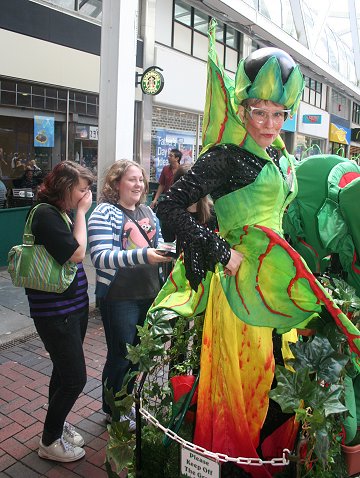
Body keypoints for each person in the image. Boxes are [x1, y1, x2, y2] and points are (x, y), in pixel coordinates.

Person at [147, 21, 360, 478]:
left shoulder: (282, 156)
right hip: (240, 294)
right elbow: (167, 205)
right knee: (245, 384)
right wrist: (224, 253)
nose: (269, 123)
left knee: (283, 382)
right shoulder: (225, 156)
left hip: (278, 285)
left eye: (278, 113)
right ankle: (235, 465)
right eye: (259, 111)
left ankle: (271, 459)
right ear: (242, 108)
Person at [87, 160, 172, 428]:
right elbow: (101, 258)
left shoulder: (147, 210)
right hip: (119, 297)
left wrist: (166, 250)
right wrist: (143, 255)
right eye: (132, 179)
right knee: (121, 355)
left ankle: (125, 404)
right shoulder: (104, 212)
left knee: (139, 354)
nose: (138, 185)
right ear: (116, 183)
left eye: (141, 180)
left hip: (149, 294)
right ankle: (113, 409)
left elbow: (157, 242)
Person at [24, 161, 93, 463]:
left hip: (72, 309)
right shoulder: (45, 215)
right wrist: (81, 214)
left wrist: (76, 212)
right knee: (75, 378)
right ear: (65, 187)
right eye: (82, 189)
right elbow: (77, 254)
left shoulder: (60, 213)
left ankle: (56, 423)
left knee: (62, 372)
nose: (86, 195)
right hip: (55, 313)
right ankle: (49, 440)